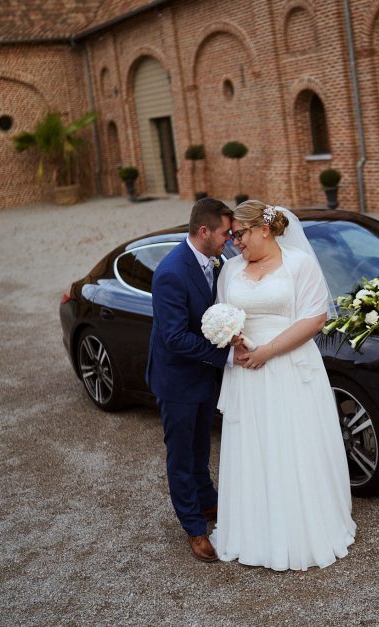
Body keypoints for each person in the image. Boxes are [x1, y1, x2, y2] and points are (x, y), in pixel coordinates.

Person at [210, 200, 356, 571]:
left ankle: (302, 532)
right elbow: (222, 314)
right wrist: (235, 341)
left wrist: (268, 352)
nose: (234, 243)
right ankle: (254, 534)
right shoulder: (229, 271)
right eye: (232, 236)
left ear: (264, 228)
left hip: (289, 367)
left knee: (292, 443)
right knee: (253, 447)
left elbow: (315, 318)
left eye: (239, 234)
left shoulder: (299, 264)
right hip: (246, 372)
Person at [146, 197, 246, 563]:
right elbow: (174, 337)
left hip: (204, 376)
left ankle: (208, 503)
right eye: (224, 234)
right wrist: (228, 355)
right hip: (177, 382)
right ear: (204, 231)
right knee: (182, 455)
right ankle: (193, 527)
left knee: (201, 446)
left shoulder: (216, 263)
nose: (230, 240)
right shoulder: (171, 272)